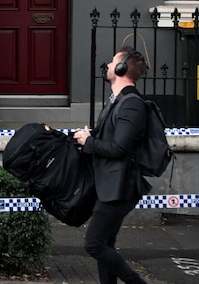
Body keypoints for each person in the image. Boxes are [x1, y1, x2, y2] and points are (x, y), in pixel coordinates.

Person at [73, 46, 151, 284]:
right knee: (105, 244)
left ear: (121, 68)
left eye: (112, 62)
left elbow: (119, 148)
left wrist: (90, 142)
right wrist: (89, 136)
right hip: (109, 183)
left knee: (94, 243)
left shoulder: (131, 104)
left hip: (120, 187)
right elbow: (111, 137)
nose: (107, 65)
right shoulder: (117, 101)